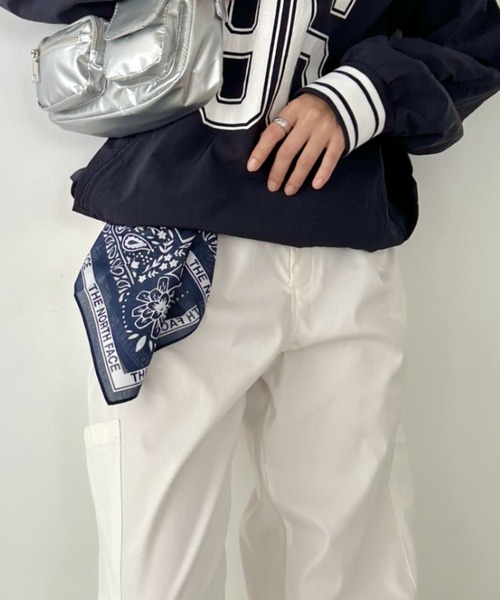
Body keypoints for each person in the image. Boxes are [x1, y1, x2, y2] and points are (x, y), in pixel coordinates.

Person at [2, 1, 499, 598]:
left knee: (349, 569)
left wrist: (362, 92)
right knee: (155, 575)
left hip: (343, 242)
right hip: (173, 244)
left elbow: (476, 37)